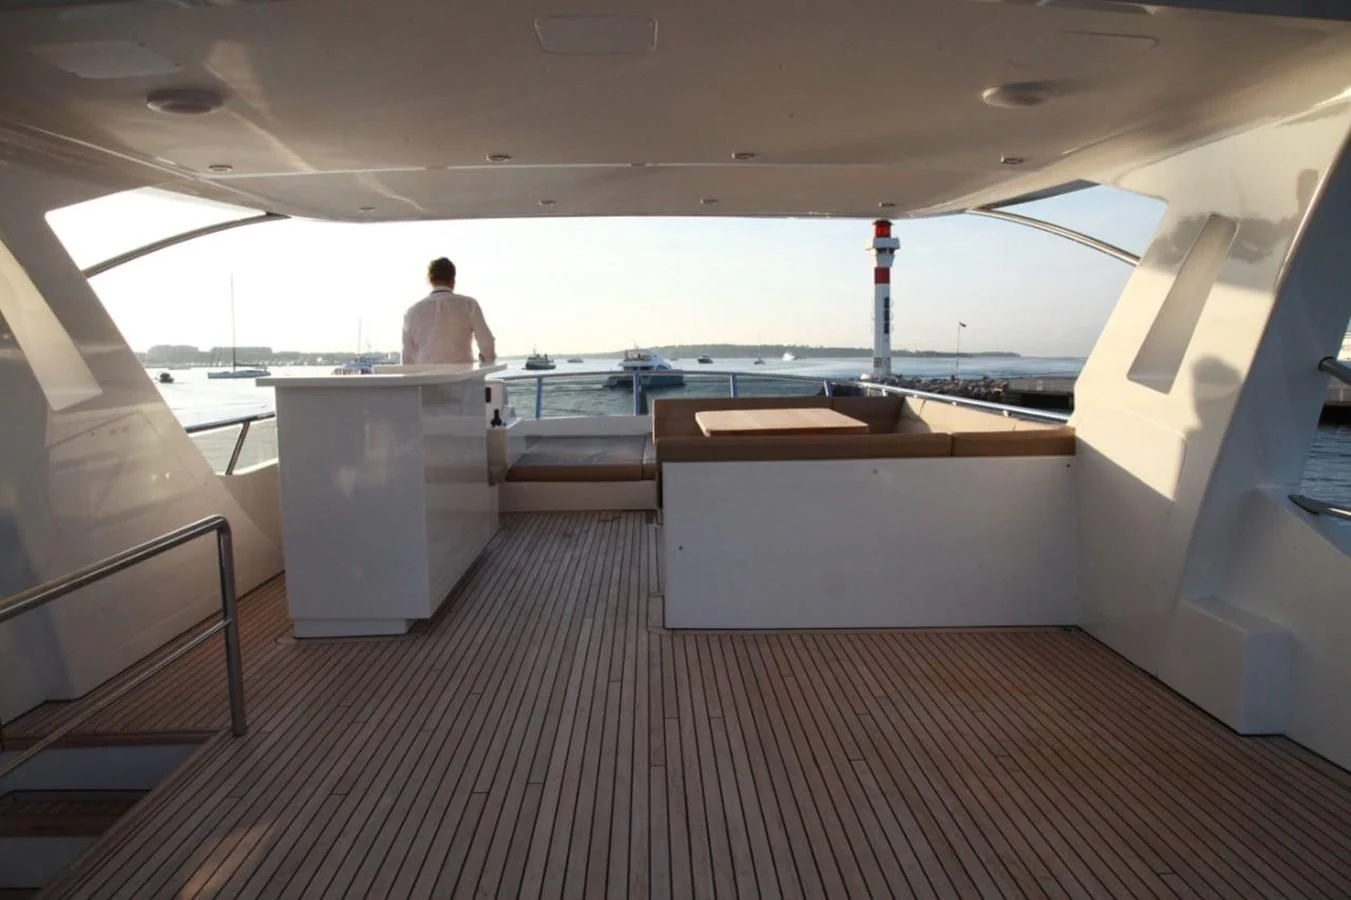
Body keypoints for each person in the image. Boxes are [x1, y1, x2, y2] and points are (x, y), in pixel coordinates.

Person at [401, 257, 497, 365]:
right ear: (453, 280)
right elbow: (487, 345)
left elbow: (407, 359)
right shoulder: (469, 305)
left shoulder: (411, 312)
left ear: (430, 280)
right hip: (463, 379)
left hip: (427, 380)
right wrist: (484, 364)